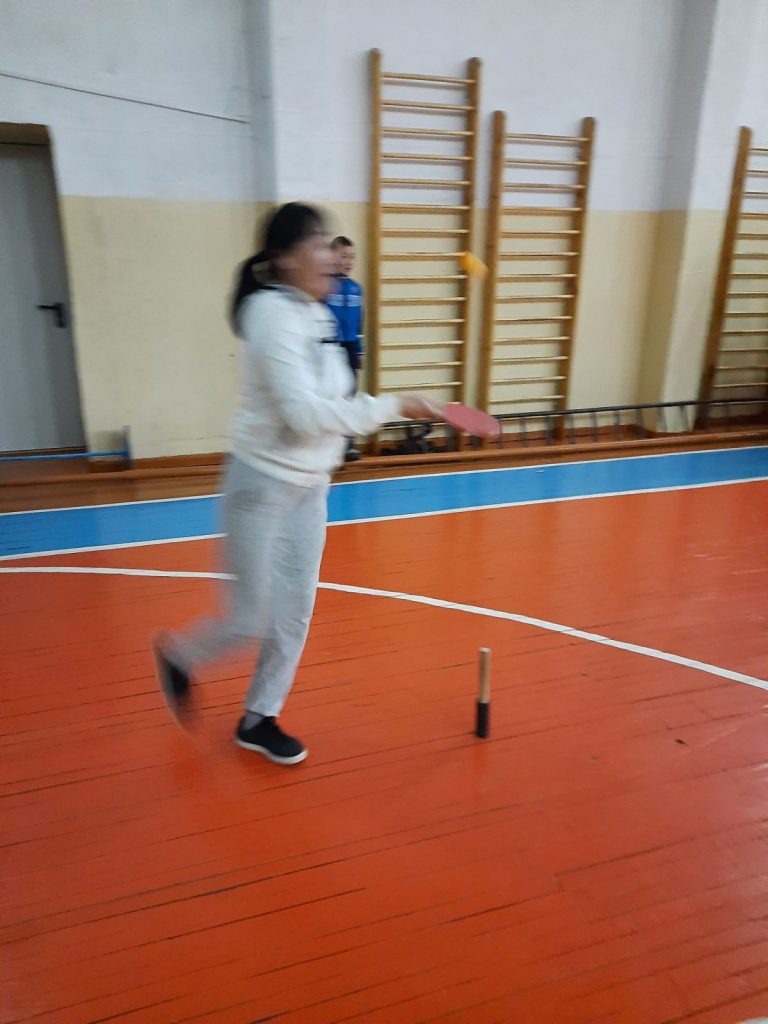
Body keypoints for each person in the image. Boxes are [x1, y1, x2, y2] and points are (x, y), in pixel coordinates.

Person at [153, 203, 437, 765]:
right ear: (284, 258)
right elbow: (304, 415)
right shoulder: (269, 314)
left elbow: (334, 400)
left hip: (311, 486)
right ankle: (180, 654)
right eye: (319, 245)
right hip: (260, 486)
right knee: (248, 618)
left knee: (295, 612)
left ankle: (259, 717)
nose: (333, 256)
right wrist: (395, 405)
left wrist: (387, 407)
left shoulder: (319, 314)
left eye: (333, 244)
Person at [326, 235, 364, 461]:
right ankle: (329, 445)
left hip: (349, 347)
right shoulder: (324, 288)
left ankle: (348, 443)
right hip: (330, 348)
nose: (348, 261)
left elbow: (359, 324)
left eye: (351, 257)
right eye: (343, 256)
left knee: (350, 393)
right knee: (332, 395)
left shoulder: (356, 289)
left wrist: (359, 350)